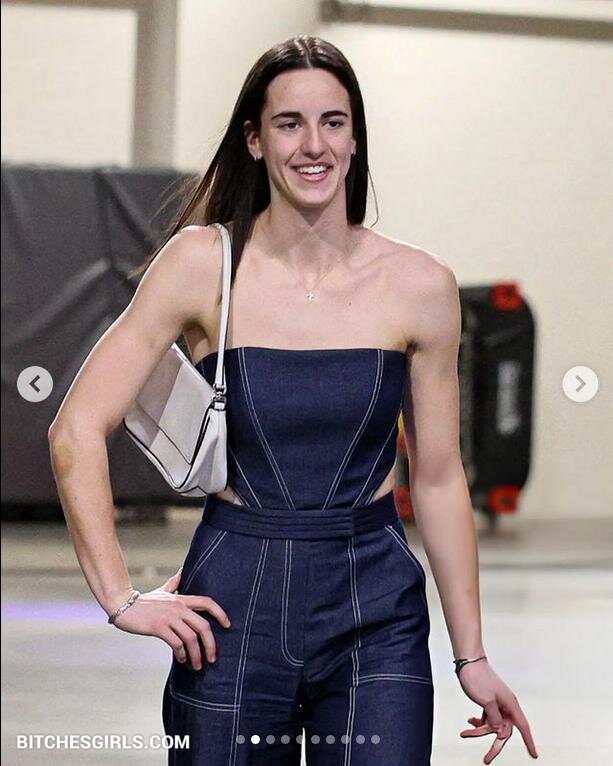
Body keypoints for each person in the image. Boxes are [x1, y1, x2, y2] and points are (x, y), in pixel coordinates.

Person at [48, 35, 538, 766]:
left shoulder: (419, 286)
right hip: (230, 608)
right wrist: (119, 597)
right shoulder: (199, 266)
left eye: (333, 122)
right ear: (254, 139)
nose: (314, 145)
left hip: (377, 611)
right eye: (289, 123)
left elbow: (437, 478)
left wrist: (472, 657)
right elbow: (76, 429)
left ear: (355, 137)